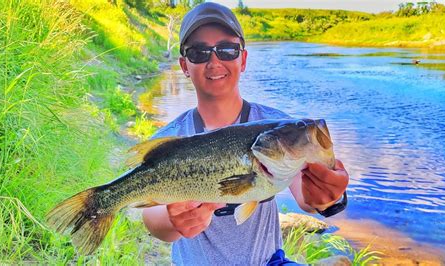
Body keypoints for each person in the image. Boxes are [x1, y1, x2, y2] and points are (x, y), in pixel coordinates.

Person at [142, 2, 349, 265]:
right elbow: (152, 217)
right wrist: (173, 220)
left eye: (227, 50)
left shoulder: (277, 126)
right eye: (199, 52)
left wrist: (328, 197)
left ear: (244, 59)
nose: (214, 61)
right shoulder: (169, 139)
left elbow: (306, 194)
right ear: (184, 65)